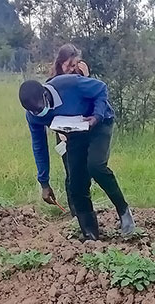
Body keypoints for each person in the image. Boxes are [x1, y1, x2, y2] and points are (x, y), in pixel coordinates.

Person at [18, 75, 135, 240]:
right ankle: (91, 234)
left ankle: (123, 211)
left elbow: (101, 88)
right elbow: (39, 147)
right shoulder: (33, 116)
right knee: (75, 184)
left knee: (95, 166)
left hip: (98, 123)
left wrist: (97, 116)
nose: (39, 113)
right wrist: (44, 183)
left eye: (40, 108)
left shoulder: (70, 84)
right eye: (33, 111)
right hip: (75, 132)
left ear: (45, 94)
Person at [47, 44, 90, 217]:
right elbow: (49, 112)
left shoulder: (80, 79)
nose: (72, 70)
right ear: (60, 64)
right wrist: (59, 131)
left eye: (74, 65)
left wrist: (86, 77)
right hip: (63, 134)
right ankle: (76, 213)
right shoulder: (52, 84)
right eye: (68, 66)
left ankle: (84, 208)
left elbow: (90, 101)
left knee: (84, 172)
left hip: (82, 131)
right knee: (71, 172)